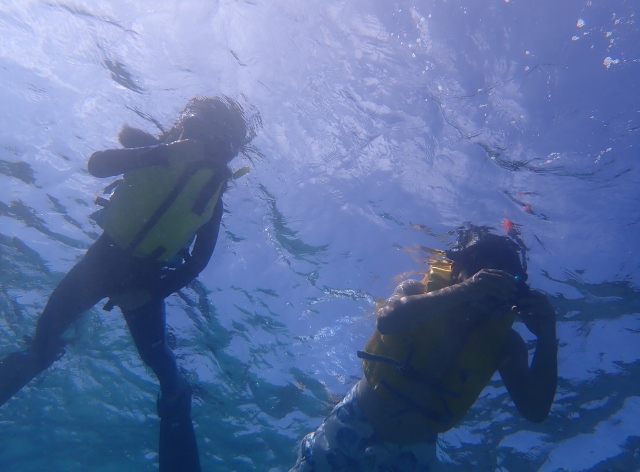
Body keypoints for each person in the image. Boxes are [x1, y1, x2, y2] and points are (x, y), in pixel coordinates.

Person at [0, 96, 257, 472]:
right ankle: (44, 352)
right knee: (42, 339)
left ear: (226, 154)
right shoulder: (154, 153)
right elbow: (97, 164)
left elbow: (199, 261)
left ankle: (177, 401)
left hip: (143, 285)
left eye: (216, 141)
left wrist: (152, 292)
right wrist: (160, 152)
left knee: (163, 367)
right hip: (98, 266)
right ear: (181, 128)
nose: (202, 145)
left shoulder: (211, 198)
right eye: (196, 129)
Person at [291, 226, 557, 471]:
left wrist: (547, 336)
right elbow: (387, 321)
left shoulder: (506, 343)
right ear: (457, 269)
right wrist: (466, 291)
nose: (490, 291)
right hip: (351, 425)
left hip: (412, 456)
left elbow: (535, 410)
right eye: (485, 276)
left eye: (505, 282)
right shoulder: (415, 290)